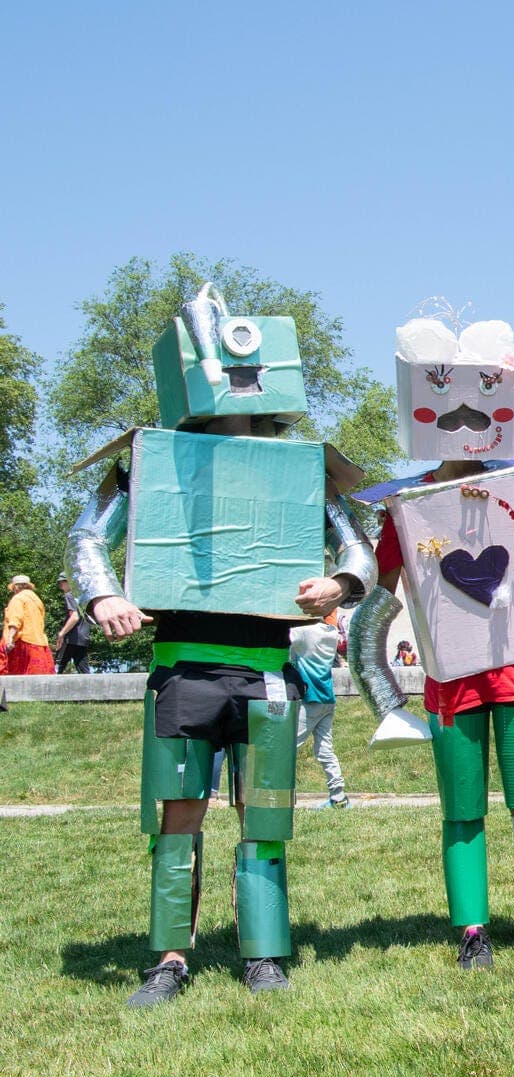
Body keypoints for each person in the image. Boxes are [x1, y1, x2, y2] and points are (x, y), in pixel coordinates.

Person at [68, 283, 376, 1005]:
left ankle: (264, 953)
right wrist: (105, 593)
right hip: (184, 670)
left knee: (264, 815)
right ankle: (169, 957)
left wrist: (339, 584)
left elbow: (357, 549)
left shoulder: (301, 471)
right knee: (179, 815)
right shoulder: (153, 463)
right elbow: (88, 535)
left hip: (266, 672)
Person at [355, 314, 514, 971]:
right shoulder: (408, 506)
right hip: (451, 681)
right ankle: (473, 934)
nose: (464, 429)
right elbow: (382, 595)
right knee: (463, 810)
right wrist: (380, 681)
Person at [291, 610, 349, 809]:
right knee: (325, 749)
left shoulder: (303, 632)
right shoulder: (330, 632)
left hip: (311, 698)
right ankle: (339, 795)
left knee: (288, 747)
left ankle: (284, 794)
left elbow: (281, 640)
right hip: (327, 697)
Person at [2, 575, 54, 676]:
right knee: (38, 678)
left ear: (16, 587)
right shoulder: (37, 600)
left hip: (22, 644)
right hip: (40, 644)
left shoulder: (18, 599)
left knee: (14, 680)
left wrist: (10, 639)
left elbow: (15, 620)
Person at [53, 575, 92, 674]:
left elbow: (74, 617)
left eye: (62, 583)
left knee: (57, 668)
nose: (60, 586)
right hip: (83, 638)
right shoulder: (83, 597)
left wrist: (62, 633)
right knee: (84, 671)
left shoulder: (70, 595)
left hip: (70, 638)